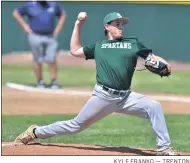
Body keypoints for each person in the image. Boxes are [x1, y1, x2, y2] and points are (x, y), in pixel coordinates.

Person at [15, 11, 176, 155]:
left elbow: (151, 58)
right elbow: (75, 51)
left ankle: (164, 148)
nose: (121, 27)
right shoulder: (99, 46)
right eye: (117, 24)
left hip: (126, 97)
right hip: (103, 96)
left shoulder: (133, 43)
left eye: (122, 24)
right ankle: (36, 132)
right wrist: (78, 24)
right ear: (107, 26)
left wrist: (165, 64)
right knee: (75, 126)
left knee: (154, 107)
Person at [13, 1, 66, 89]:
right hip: (35, 35)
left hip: (50, 36)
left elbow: (63, 15)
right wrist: (25, 27)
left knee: (52, 58)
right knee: (37, 59)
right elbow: (16, 13)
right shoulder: (30, 5)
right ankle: (40, 81)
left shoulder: (52, 4)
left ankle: (54, 82)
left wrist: (57, 30)